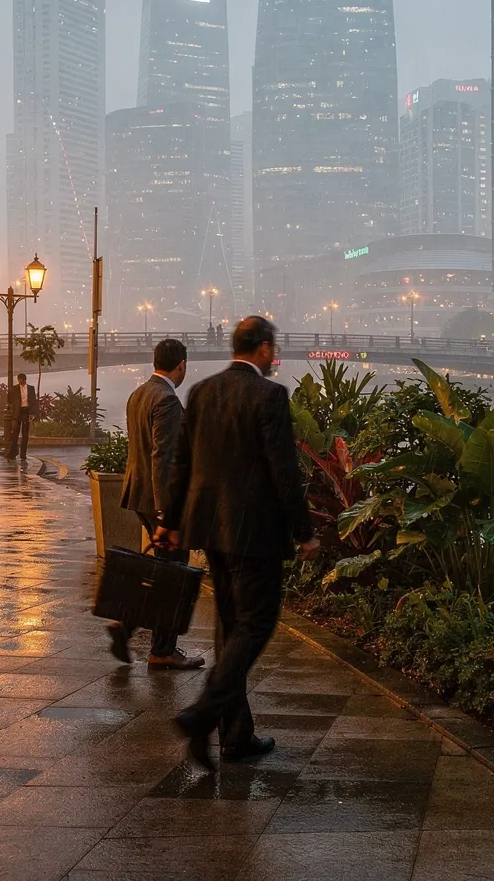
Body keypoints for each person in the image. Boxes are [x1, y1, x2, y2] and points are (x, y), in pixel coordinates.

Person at [170, 316, 317, 770]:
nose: (274, 357)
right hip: (255, 531)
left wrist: (170, 522)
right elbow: (283, 471)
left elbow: (182, 462)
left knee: (231, 626)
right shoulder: (269, 396)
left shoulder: (202, 391)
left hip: (211, 528)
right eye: (272, 349)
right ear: (263, 349)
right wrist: (304, 531)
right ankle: (203, 714)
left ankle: (235, 736)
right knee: (257, 622)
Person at [113, 338, 203, 669]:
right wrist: (167, 513)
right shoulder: (167, 401)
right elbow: (162, 459)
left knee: (162, 569)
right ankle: (162, 650)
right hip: (159, 501)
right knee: (173, 575)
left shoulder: (139, 394)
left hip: (138, 494)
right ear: (182, 365)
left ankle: (126, 624)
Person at [4, 373, 35, 460]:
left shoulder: (31, 388)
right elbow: (9, 401)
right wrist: (11, 409)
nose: (21, 382)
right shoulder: (13, 389)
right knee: (15, 434)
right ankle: (12, 453)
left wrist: (33, 414)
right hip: (16, 413)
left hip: (26, 412)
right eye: (19, 380)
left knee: (25, 435)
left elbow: (33, 401)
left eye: (22, 381)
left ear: (25, 380)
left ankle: (23, 455)